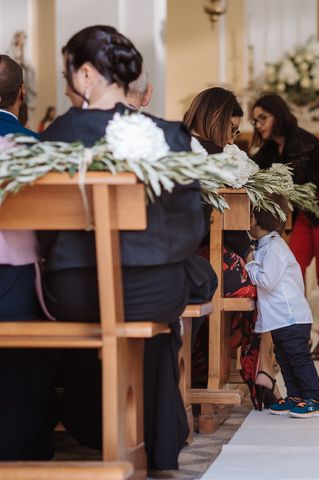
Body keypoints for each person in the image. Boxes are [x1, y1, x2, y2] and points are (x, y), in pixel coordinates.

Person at [39, 25, 212, 471]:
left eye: (68, 72)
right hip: (151, 288)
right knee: (156, 317)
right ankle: (154, 436)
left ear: (86, 76)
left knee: (92, 310)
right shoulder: (168, 135)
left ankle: (89, 419)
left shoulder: (58, 133)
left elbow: (44, 229)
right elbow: (192, 225)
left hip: (75, 292)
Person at [184, 87, 281, 409]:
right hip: (204, 258)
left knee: (265, 274)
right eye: (233, 129)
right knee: (269, 282)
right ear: (217, 121)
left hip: (189, 253)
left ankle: (257, 368)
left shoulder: (178, 146)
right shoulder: (218, 158)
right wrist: (251, 255)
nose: (233, 137)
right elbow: (232, 221)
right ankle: (261, 370)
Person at [250, 93, 319, 361]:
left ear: (278, 115)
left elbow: (288, 181)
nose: (258, 124)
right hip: (307, 215)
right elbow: (253, 169)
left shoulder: (299, 141)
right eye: (255, 120)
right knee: (293, 268)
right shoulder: (273, 147)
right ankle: (299, 332)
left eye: (263, 118)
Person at [0, 54, 58, 461]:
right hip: (16, 276)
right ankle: (24, 439)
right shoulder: (33, 147)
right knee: (28, 350)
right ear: (22, 94)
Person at [245, 194, 319, 417]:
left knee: (298, 358)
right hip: (280, 318)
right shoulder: (266, 245)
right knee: (284, 358)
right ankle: (296, 396)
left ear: (252, 219)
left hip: (292, 317)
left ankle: (315, 399)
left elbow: (267, 281)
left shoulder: (274, 247)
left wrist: (250, 263)